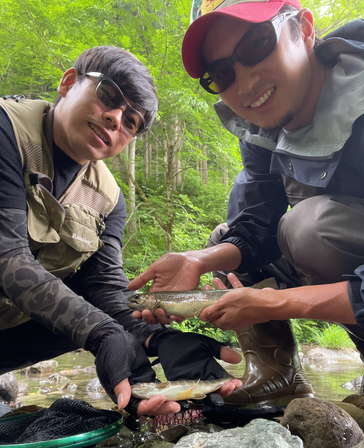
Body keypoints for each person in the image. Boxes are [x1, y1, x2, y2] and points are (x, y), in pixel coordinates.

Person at [128, 0, 364, 408]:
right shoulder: (263, 130)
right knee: (226, 242)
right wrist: (200, 260)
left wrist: (275, 302)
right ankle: (278, 375)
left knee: (309, 228)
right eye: (222, 73)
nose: (243, 85)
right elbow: (259, 225)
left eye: (258, 44)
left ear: (305, 29)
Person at [0, 45, 241, 416]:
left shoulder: (109, 198)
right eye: (109, 96)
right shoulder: (7, 130)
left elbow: (104, 286)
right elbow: (7, 257)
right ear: (68, 83)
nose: (116, 119)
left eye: (132, 121)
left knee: (101, 309)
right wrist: (101, 332)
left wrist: (154, 337)